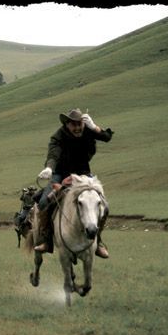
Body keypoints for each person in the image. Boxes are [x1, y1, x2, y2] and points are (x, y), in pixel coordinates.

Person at [34, 108, 113, 258]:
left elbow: (107, 137)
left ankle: (98, 241)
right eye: (74, 125)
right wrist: (49, 168)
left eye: (80, 124)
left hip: (83, 174)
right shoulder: (59, 136)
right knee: (44, 202)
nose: (77, 128)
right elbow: (53, 153)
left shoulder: (88, 130)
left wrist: (94, 126)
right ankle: (47, 240)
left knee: (104, 206)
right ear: (67, 124)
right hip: (60, 173)